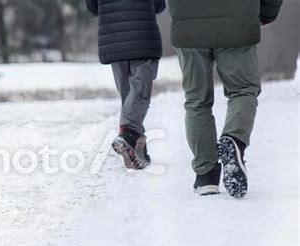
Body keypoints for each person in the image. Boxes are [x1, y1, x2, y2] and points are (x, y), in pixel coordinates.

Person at [167, 0, 283, 197]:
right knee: (243, 90)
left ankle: (205, 176)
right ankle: (234, 140)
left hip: (189, 26)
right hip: (238, 22)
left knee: (197, 100)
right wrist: (265, 14)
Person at [86, 0, 166, 170]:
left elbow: (93, 7)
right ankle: (128, 134)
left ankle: (136, 147)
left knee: (128, 94)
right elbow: (159, 5)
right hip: (142, 33)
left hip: (113, 35)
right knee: (139, 91)